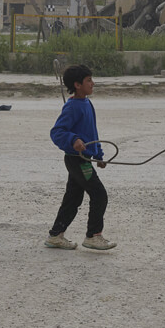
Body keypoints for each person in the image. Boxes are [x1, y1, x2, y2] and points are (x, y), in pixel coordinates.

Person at [46, 64, 116, 251]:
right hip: (76, 160)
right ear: (77, 85)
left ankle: (55, 235)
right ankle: (93, 235)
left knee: (72, 199)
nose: (93, 83)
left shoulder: (86, 103)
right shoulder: (72, 107)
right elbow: (57, 132)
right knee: (99, 194)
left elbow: (92, 133)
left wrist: (99, 155)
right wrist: (73, 139)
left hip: (84, 159)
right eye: (88, 81)